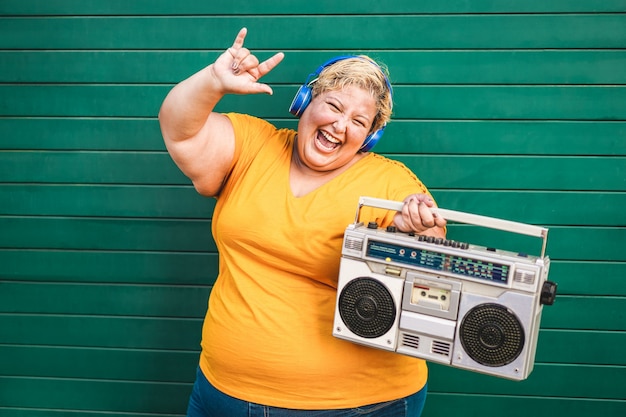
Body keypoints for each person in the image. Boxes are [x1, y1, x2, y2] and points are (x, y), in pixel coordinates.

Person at [158, 27, 447, 417]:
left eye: (359, 122)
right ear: (304, 101)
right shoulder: (253, 145)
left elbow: (432, 272)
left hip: (353, 406)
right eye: (334, 106)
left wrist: (414, 232)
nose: (340, 126)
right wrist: (212, 81)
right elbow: (180, 130)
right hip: (220, 392)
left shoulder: (391, 183)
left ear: (368, 138)